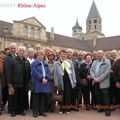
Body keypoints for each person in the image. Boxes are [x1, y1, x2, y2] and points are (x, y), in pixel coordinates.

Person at [7, 46, 31, 117]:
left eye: (23, 51)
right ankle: (14, 111)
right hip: (15, 83)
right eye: (20, 50)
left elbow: (29, 73)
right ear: (17, 51)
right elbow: (9, 72)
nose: (21, 52)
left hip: (24, 83)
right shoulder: (13, 60)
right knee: (15, 97)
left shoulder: (26, 61)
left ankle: (21, 110)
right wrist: (9, 82)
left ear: (25, 52)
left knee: (22, 97)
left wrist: (28, 82)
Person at [54, 49, 76, 114]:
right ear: (60, 55)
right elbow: (55, 74)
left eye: (64, 54)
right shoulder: (57, 63)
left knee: (68, 95)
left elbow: (73, 72)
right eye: (62, 54)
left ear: (66, 55)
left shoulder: (70, 62)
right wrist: (56, 83)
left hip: (68, 81)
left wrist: (74, 81)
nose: (63, 55)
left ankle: (67, 109)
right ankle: (61, 109)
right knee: (61, 95)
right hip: (60, 81)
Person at [90, 50, 111, 116]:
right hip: (95, 81)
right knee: (98, 95)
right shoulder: (94, 62)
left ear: (103, 54)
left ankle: (107, 110)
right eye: (98, 54)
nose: (99, 55)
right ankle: (102, 108)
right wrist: (94, 77)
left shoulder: (107, 61)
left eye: (100, 54)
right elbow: (91, 70)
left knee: (105, 96)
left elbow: (107, 72)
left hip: (104, 82)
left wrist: (100, 78)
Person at [31, 50, 51, 118]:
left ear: (43, 56)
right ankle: (35, 112)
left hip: (45, 83)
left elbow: (48, 72)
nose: (41, 56)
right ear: (37, 56)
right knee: (36, 98)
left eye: (42, 55)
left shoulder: (45, 63)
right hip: (37, 82)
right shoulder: (33, 63)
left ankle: (42, 111)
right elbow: (34, 72)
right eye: (39, 55)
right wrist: (41, 78)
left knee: (43, 97)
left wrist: (46, 78)